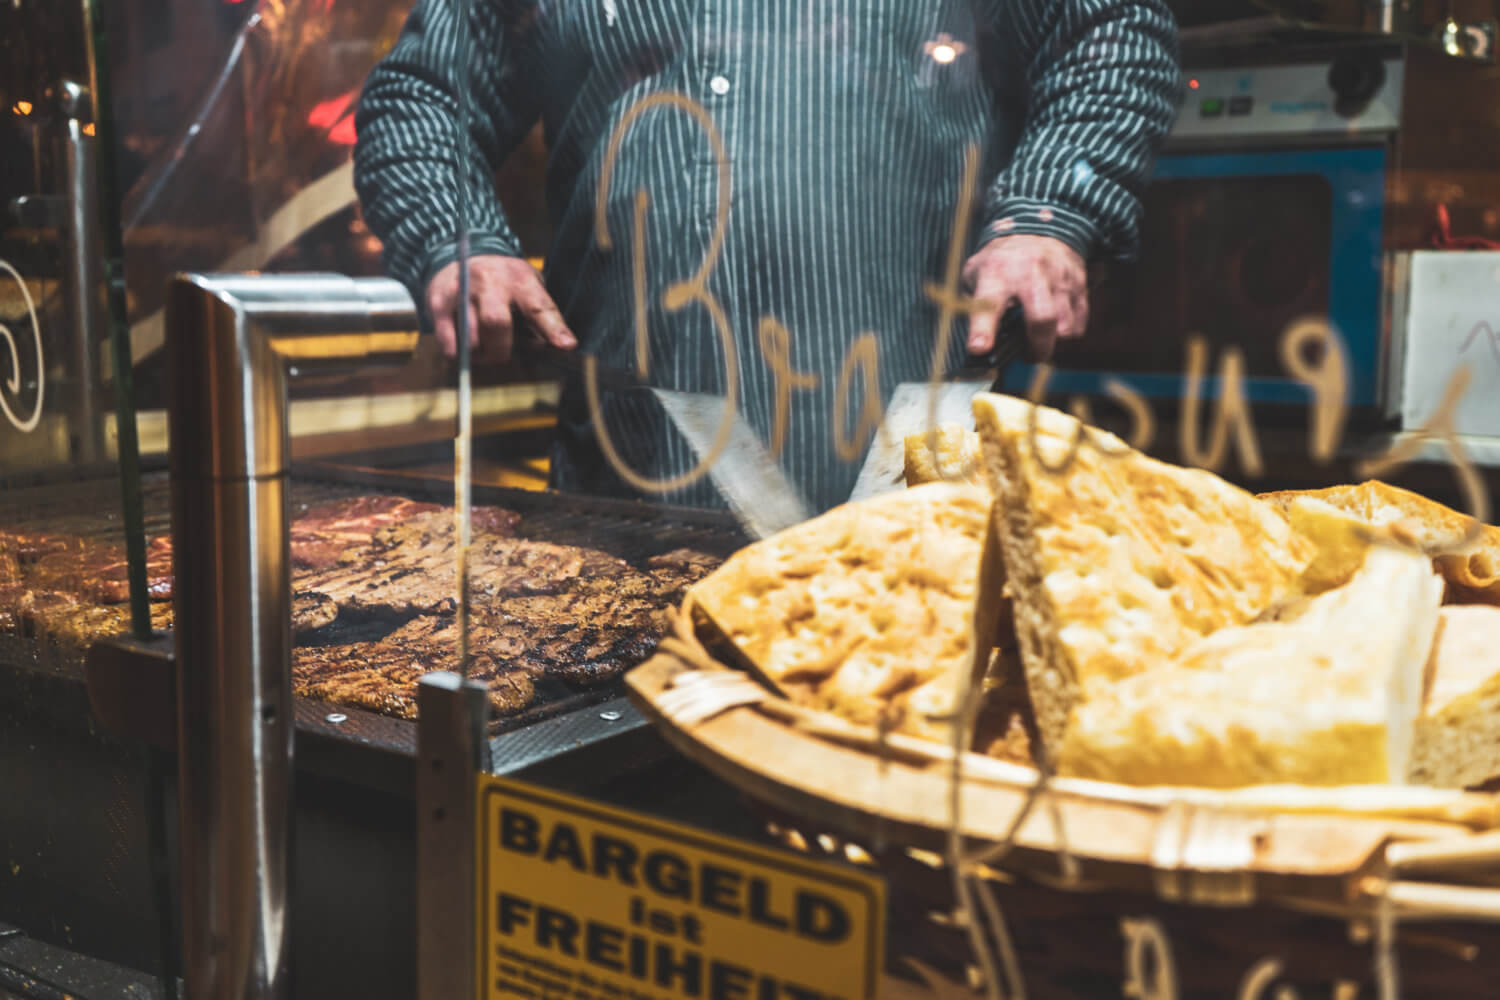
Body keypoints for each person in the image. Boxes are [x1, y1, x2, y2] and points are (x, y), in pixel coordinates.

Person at [354, 0, 1181, 513]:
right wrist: (459, 237)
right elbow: (423, 95)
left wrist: (1047, 215)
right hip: (634, 479)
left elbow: (1108, 31)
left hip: (909, 473)